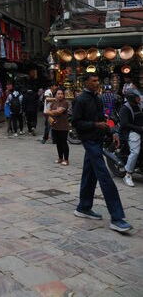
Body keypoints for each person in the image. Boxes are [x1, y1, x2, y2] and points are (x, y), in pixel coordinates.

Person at [72, 74, 132, 233]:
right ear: (86, 82)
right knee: (105, 177)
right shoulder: (80, 100)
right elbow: (76, 123)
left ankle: (83, 207)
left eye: (97, 80)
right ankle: (117, 217)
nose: (97, 83)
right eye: (93, 80)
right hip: (89, 141)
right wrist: (95, 125)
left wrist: (112, 132)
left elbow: (103, 120)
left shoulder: (98, 99)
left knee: (89, 174)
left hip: (98, 139)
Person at [119, 89, 143, 187]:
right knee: (135, 151)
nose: (139, 98)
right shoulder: (125, 108)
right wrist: (139, 128)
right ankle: (128, 175)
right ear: (132, 98)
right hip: (131, 132)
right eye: (137, 97)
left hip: (140, 130)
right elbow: (124, 124)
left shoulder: (139, 106)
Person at [48, 88, 70, 165]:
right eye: (58, 94)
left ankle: (66, 160)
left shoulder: (65, 103)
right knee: (58, 143)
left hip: (63, 126)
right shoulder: (53, 103)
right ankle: (60, 158)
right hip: (55, 126)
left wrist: (52, 111)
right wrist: (53, 112)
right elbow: (48, 112)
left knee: (64, 142)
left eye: (61, 94)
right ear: (56, 95)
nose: (60, 95)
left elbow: (59, 112)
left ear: (63, 95)